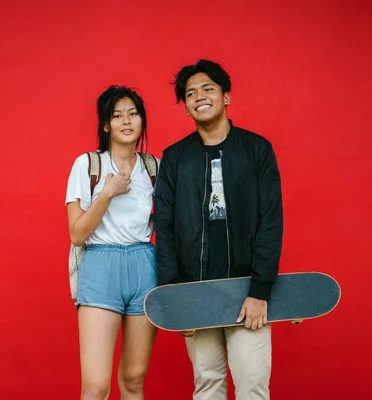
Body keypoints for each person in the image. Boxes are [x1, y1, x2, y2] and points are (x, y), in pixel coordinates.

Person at [154, 59, 283, 399]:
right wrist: (176, 299)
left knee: (253, 385)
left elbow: (271, 221)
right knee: (208, 385)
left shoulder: (258, 150)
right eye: (191, 93)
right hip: (196, 294)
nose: (199, 97)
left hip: (248, 292)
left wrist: (260, 290)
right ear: (186, 108)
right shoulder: (174, 158)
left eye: (208, 89)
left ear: (226, 97)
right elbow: (164, 230)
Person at [66, 85, 159, 400]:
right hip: (101, 266)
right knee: (95, 387)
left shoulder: (154, 167)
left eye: (133, 114)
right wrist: (106, 193)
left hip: (145, 267)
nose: (127, 121)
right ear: (106, 124)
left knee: (134, 380)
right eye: (117, 116)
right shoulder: (88, 165)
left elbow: (166, 225)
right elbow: (77, 233)